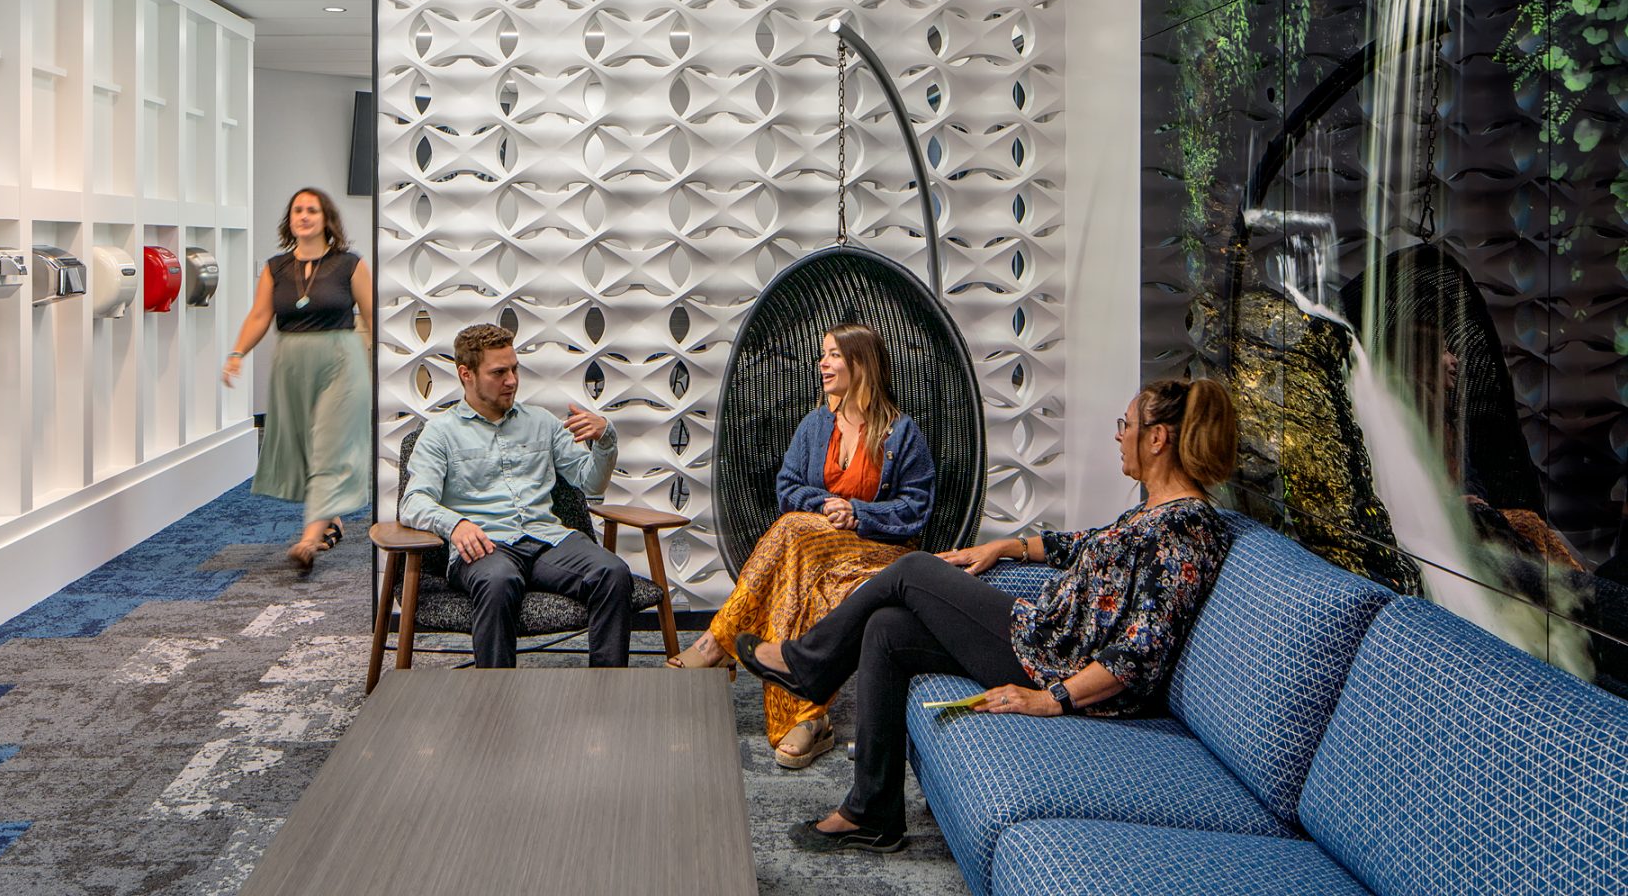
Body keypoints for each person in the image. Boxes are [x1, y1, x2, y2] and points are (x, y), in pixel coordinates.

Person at [736, 377, 1239, 854]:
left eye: (1125, 425)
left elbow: (1140, 651)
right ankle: (872, 813)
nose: (1118, 435)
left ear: (1157, 439)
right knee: (886, 630)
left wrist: (1051, 699)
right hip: (1045, 640)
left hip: (1053, 661)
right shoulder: (1154, 514)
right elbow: (1080, 545)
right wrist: (1007, 546)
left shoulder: (1185, 528)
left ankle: (809, 665)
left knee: (912, 569)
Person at [666, 322, 934, 770]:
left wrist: (859, 513)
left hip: (880, 554)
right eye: (822, 354)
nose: (822, 364)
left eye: (833, 355)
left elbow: (917, 507)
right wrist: (826, 504)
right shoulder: (815, 425)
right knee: (802, 570)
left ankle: (719, 642)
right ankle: (809, 716)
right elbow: (788, 486)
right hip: (816, 550)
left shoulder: (901, 432)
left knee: (793, 533)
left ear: (861, 363)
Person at [398, 323, 632, 668]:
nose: (511, 380)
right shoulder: (439, 433)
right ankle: (497, 695)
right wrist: (455, 525)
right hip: (485, 545)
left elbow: (590, 485)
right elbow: (413, 502)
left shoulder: (542, 423)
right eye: (499, 372)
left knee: (613, 572)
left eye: (514, 369)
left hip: (546, 540)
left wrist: (606, 440)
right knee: (499, 581)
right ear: (466, 374)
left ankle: (607, 689)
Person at [224, 187, 373, 569]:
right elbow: (260, 316)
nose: (304, 216)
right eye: (297, 210)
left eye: (312, 210)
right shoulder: (276, 268)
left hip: (341, 361)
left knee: (329, 445)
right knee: (305, 446)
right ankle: (331, 517)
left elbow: (374, 317)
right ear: (289, 221)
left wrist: (379, 365)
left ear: (327, 219)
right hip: (291, 364)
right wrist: (237, 353)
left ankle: (309, 539)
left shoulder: (349, 264)